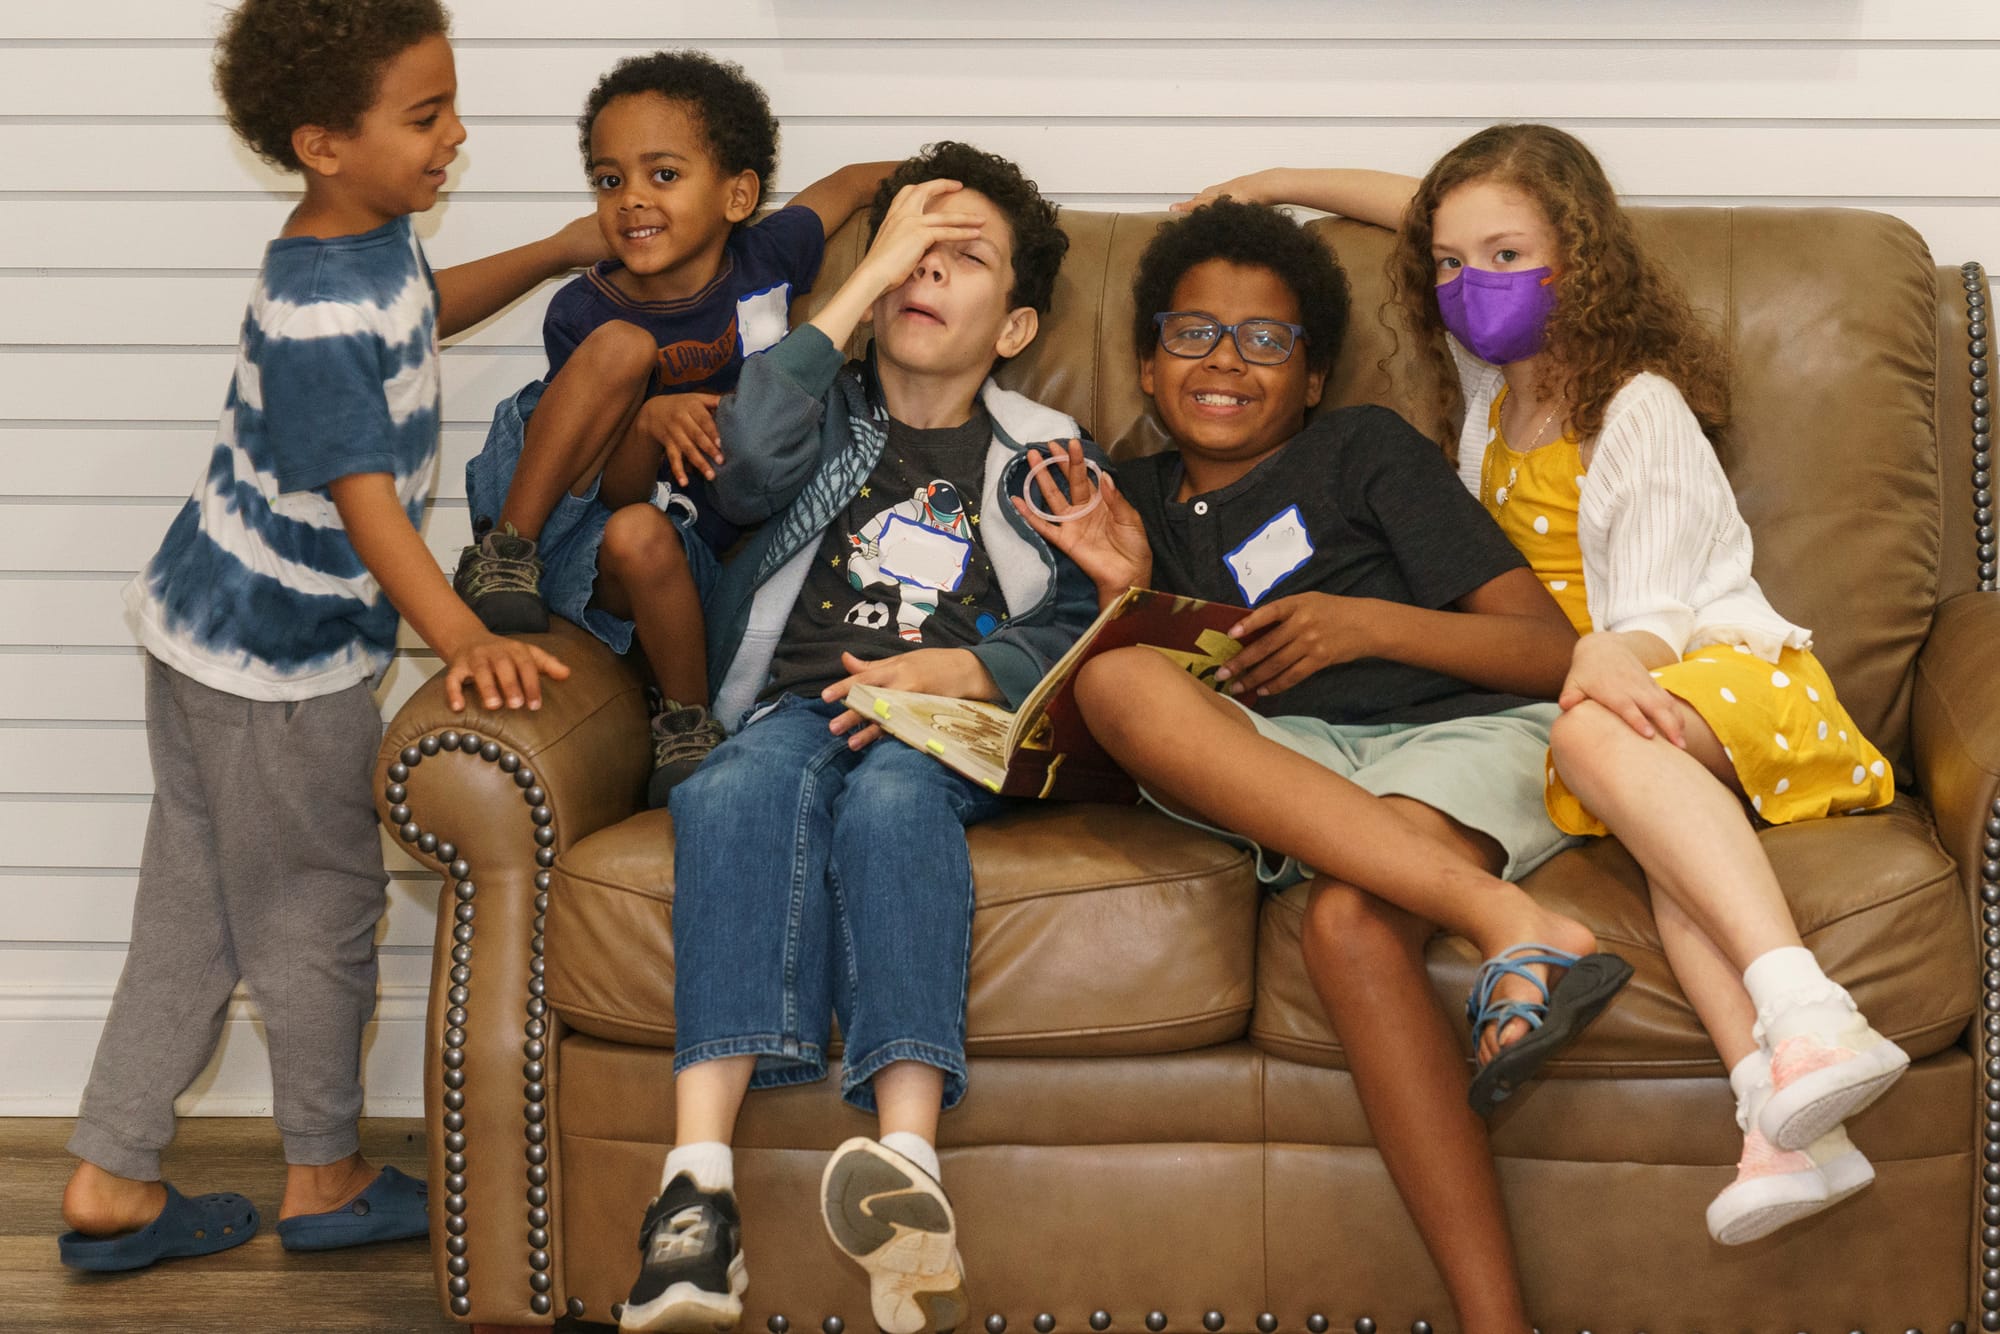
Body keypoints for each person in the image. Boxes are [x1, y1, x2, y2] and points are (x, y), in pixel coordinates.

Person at [1186, 122, 1906, 1248]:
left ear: (1583, 261)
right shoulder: (1491, 397)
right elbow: (1424, 210)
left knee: (1596, 745)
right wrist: (1273, 181)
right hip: (1607, 708)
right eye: (1452, 264)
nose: (1476, 282)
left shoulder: (1635, 406)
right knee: (1663, 834)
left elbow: (1660, 612)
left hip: (1718, 669)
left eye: (1509, 257)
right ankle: (1783, 1123)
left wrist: (1598, 670)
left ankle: (1811, 1005)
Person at [1015, 198, 1622, 1334]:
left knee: (1349, 925)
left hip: (1453, 733)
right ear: (1145, 365)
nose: (1225, 362)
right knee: (1113, 679)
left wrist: (1365, 624)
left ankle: (1497, 1322)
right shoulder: (1123, 494)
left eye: (1265, 339)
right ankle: (1508, 917)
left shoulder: (1364, 448)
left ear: (1310, 376)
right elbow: (1131, 713)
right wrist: (1125, 594)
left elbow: (1548, 651)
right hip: (1283, 760)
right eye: (1191, 333)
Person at [56, 0, 591, 1272]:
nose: (456, 133)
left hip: (207, 630)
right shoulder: (316, 310)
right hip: (278, 668)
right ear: (320, 141)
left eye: (451, 105)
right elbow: (366, 506)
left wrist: (554, 251)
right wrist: (461, 635)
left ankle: (111, 1172)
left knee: (192, 914)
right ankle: (325, 1169)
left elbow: (416, 312)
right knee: (316, 908)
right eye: (425, 117)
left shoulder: (361, 246)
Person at [611, 141, 1090, 1334]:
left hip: (945, 724)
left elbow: (1090, 626)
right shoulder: (817, 411)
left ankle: (909, 1164)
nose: (924, 276)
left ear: (1017, 323)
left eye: (959, 259)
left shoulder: (1041, 448)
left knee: (889, 805)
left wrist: (964, 664)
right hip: (795, 705)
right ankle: (695, 1195)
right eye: (905, 256)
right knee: (724, 794)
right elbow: (743, 470)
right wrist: (855, 284)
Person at [453, 49, 890, 802]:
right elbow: (609, 488)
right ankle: (503, 552)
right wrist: (648, 420)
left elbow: (851, 184)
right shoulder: (584, 309)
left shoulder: (770, 253)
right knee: (624, 368)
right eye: (609, 179)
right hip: (579, 523)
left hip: (680, 555)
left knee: (644, 537)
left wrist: (951, 179)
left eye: (663, 174)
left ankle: (686, 726)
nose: (629, 200)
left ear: (738, 194)